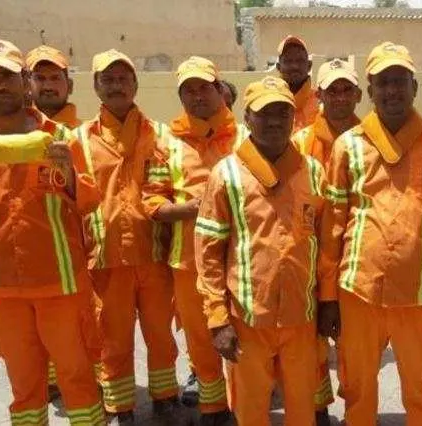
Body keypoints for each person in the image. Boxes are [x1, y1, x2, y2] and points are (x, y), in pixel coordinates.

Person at [317, 41, 422, 425]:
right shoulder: (348, 147)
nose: (392, 91)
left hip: (420, 298)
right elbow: (332, 226)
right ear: (369, 91)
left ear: (415, 87)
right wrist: (327, 296)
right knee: (357, 388)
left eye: (400, 81)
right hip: (358, 294)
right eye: (383, 82)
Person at [0, 37, 104, 425]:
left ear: (24, 81)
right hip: (3, 289)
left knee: (77, 379)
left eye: (6, 75)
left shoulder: (60, 136)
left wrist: (69, 174)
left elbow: (90, 200)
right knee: (24, 386)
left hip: (61, 283)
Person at [196, 75, 323, 426]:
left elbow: (325, 244)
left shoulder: (313, 172)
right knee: (251, 410)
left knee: (302, 408)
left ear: (294, 117)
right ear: (247, 119)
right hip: (248, 317)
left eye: (283, 112)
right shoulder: (226, 175)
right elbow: (208, 253)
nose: (274, 121)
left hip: (302, 316)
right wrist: (218, 319)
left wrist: (327, 302)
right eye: (264, 113)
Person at [76, 49, 179, 424]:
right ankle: (122, 406)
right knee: (113, 340)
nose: (117, 86)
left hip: (153, 252)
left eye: (123, 79)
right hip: (106, 260)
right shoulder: (79, 140)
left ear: (135, 85)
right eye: (109, 79)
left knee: (160, 336)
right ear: (96, 86)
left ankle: (166, 396)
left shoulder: (160, 134)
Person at [143, 56, 235, 425]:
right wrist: (195, 208)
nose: (197, 95)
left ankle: (245, 404)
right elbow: (152, 203)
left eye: (204, 87)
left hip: (241, 262)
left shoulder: (246, 136)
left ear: (220, 90)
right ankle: (213, 409)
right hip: (188, 263)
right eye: (189, 89)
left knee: (245, 340)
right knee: (201, 341)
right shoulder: (167, 143)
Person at [291, 57, 362, 425]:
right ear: (317, 95)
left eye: (346, 89)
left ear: (358, 94)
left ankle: (355, 411)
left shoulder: (371, 141)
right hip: (310, 259)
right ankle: (317, 408)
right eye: (331, 90)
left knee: (352, 349)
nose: (339, 97)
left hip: (353, 263)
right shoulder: (300, 143)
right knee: (310, 344)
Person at [26, 43, 96, 402]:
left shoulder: (80, 136)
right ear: (28, 83)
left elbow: (91, 198)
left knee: (78, 341)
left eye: (56, 78)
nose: (48, 85)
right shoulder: (3, 136)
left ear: (69, 84)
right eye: (40, 78)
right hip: (21, 268)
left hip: (73, 261)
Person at [26, 45, 82, 128]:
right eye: (40, 78)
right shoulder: (13, 131)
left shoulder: (87, 135)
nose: (48, 87)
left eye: (55, 78)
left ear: (70, 86)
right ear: (28, 85)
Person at [276, 35, 319, 132]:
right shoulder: (269, 101)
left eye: (300, 60)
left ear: (309, 66)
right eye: (288, 61)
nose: (294, 66)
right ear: (278, 67)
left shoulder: (321, 102)